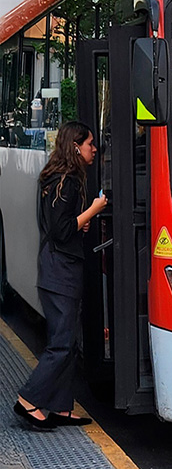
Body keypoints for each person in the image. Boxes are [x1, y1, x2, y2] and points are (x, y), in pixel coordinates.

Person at [14, 121, 107, 430]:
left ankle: (60, 407)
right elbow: (61, 230)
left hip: (60, 268)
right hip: (60, 271)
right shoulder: (65, 181)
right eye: (89, 144)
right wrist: (93, 209)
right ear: (75, 147)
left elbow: (63, 224)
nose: (94, 149)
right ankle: (29, 400)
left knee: (67, 342)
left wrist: (79, 221)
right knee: (62, 344)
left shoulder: (59, 179)